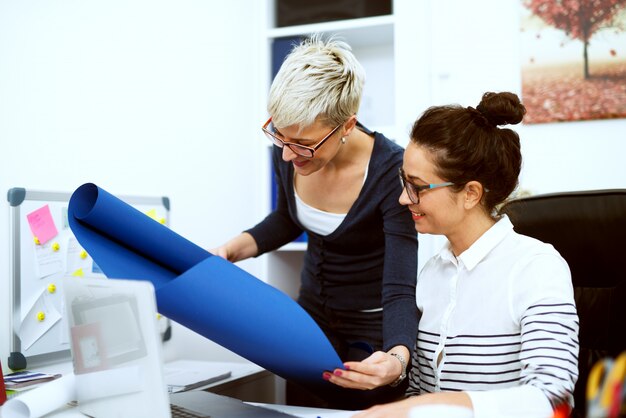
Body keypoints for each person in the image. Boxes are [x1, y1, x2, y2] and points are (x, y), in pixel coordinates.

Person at [325, 92, 579, 417]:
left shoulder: (536, 268)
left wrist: (419, 407)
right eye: (404, 181)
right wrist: (393, 374)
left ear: (470, 194)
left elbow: (551, 397)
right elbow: (421, 390)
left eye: (416, 185)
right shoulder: (434, 272)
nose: (404, 198)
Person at [213, 36, 419, 409]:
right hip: (308, 320)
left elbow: (400, 286)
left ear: (346, 125)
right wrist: (229, 251)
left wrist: (397, 358)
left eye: (303, 144)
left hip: (372, 329)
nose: (289, 154)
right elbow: (286, 220)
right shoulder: (290, 147)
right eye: (279, 135)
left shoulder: (392, 172)